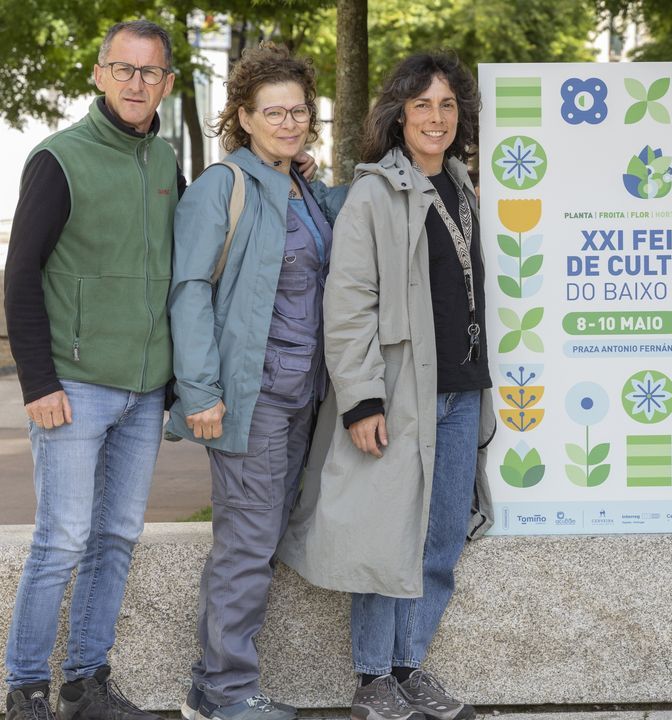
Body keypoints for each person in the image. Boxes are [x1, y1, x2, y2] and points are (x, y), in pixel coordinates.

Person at [278, 52, 495, 720]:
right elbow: (347, 305)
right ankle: (372, 679)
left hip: (460, 391)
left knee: (438, 539)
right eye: (423, 104)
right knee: (385, 535)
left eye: (448, 105)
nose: (436, 117)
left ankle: (408, 667)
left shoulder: (460, 183)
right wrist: (363, 400)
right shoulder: (375, 192)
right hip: (400, 396)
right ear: (398, 114)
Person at [2, 19, 179, 720]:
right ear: (101, 75)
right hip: (72, 388)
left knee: (116, 536)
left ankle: (84, 683)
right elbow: (20, 278)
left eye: (151, 72)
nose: (138, 83)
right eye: (124, 69)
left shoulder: (166, 161)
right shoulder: (59, 157)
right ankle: (25, 689)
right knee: (63, 538)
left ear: (167, 83)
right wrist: (39, 381)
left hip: (144, 393)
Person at [167, 43, 343, 720]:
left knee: (261, 540)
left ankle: (218, 682)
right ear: (244, 114)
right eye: (275, 112)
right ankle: (221, 691)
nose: (290, 121)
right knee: (245, 543)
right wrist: (202, 392)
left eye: (299, 110)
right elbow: (189, 292)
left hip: (302, 397)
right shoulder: (223, 187)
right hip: (252, 397)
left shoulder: (298, 186)